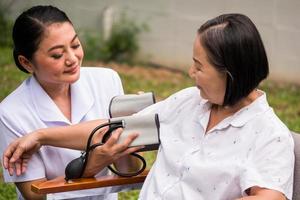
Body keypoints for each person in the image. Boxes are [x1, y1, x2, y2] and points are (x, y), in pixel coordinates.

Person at [2, 13, 295, 200]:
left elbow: (267, 197)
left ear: (229, 75)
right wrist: (40, 136)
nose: (191, 74)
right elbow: (110, 130)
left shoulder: (270, 136)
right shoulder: (189, 101)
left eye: (198, 67)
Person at [0, 5, 142, 200]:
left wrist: (132, 132)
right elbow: (35, 195)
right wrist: (91, 165)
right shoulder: (11, 112)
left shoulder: (107, 80)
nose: (73, 59)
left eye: (75, 45)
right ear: (27, 63)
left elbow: (130, 172)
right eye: (57, 55)